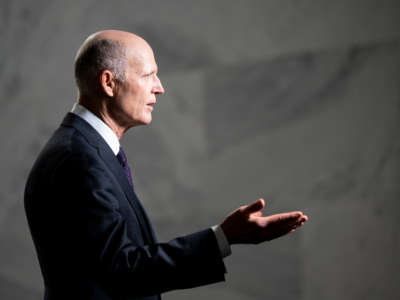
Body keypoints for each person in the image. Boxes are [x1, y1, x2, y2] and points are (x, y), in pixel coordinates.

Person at [24, 30, 308, 300]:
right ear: (108, 83)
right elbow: (124, 271)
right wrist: (223, 237)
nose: (160, 88)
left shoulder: (84, 149)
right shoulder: (79, 159)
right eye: (149, 75)